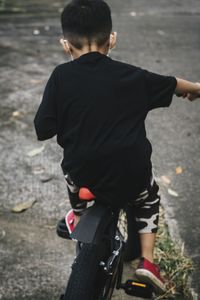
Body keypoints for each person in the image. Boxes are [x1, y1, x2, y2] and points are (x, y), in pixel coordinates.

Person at [34, 0, 200, 295]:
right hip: (130, 174)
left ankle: (80, 215)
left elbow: (42, 128)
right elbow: (176, 84)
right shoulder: (133, 76)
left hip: (84, 173)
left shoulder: (60, 77)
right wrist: (195, 89)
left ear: (65, 45)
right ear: (112, 39)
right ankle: (147, 263)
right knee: (148, 198)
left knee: (74, 179)